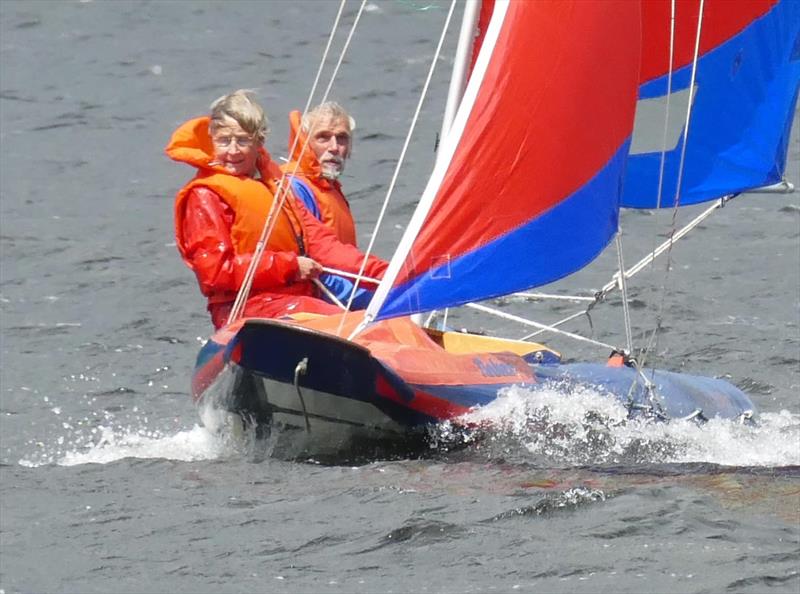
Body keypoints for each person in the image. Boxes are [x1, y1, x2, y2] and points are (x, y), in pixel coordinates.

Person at [165, 90, 387, 329]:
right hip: (245, 310)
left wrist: (388, 274)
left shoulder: (276, 186)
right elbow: (215, 273)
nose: (232, 150)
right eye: (223, 141)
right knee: (353, 326)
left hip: (295, 301)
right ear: (212, 142)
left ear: (258, 143)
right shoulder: (205, 196)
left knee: (371, 323)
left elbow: (325, 246)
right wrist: (290, 265)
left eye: (242, 140)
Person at [282, 102, 373, 308]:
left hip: (342, 300)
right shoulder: (295, 187)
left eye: (341, 138)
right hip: (313, 305)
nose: (334, 147)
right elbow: (309, 269)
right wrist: (375, 296)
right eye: (323, 137)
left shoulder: (330, 189)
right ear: (305, 141)